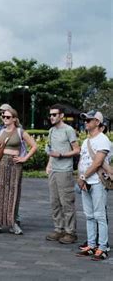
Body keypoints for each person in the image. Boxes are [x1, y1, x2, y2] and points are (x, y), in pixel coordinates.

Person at [0, 108, 37, 235]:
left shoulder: (20, 132)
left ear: (14, 119)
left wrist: (24, 158)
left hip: (15, 165)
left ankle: (12, 222)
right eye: (4, 117)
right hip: (1, 163)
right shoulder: (1, 132)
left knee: (13, 192)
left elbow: (34, 146)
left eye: (8, 117)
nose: (5, 119)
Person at [75, 111, 111, 261]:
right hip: (86, 182)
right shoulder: (86, 141)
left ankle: (102, 248)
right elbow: (82, 160)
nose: (86, 122)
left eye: (89, 120)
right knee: (89, 215)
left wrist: (83, 177)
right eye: (85, 120)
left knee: (99, 216)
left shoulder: (103, 140)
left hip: (97, 182)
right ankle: (91, 245)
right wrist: (80, 177)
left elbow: (97, 162)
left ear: (98, 122)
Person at [45, 104, 80, 244]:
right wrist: (49, 164)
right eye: (50, 115)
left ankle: (70, 232)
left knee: (66, 202)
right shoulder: (51, 131)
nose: (52, 117)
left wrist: (61, 155)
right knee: (54, 201)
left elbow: (77, 150)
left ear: (61, 116)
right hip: (54, 170)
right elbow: (50, 150)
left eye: (54, 114)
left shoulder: (69, 130)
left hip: (65, 170)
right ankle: (59, 229)